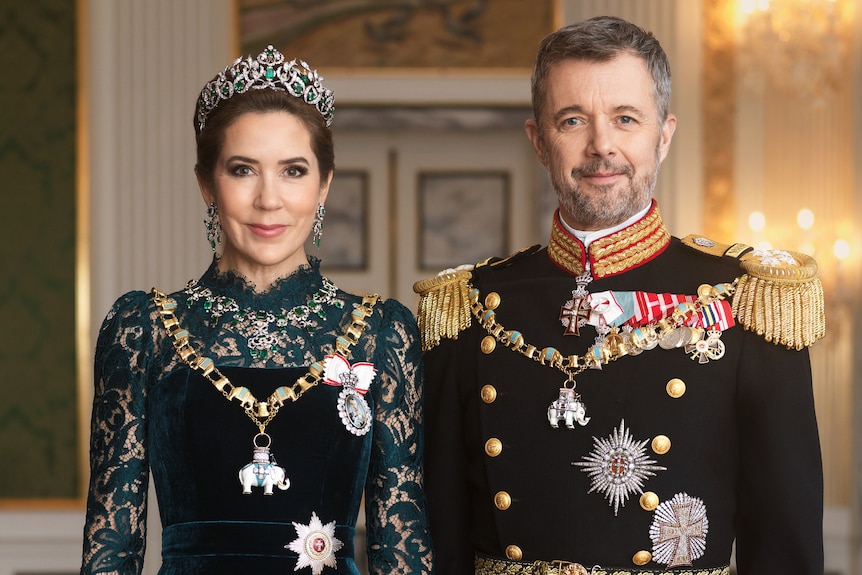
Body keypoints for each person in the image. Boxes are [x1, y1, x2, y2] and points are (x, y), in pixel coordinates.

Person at [414, 16, 825, 575]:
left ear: (664, 135)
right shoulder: (469, 306)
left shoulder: (747, 300)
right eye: (573, 120)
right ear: (539, 140)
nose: (601, 145)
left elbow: (785, 544)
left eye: (625, 119)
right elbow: (441, 537)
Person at [81, 46, 433, 575]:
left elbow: (401, 549)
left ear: (324, 185)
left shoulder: (381, 331)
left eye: (293, 171)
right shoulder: (143, 328)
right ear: (207, 185)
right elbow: (111, 550)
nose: (269, 199)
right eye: (243, 170)